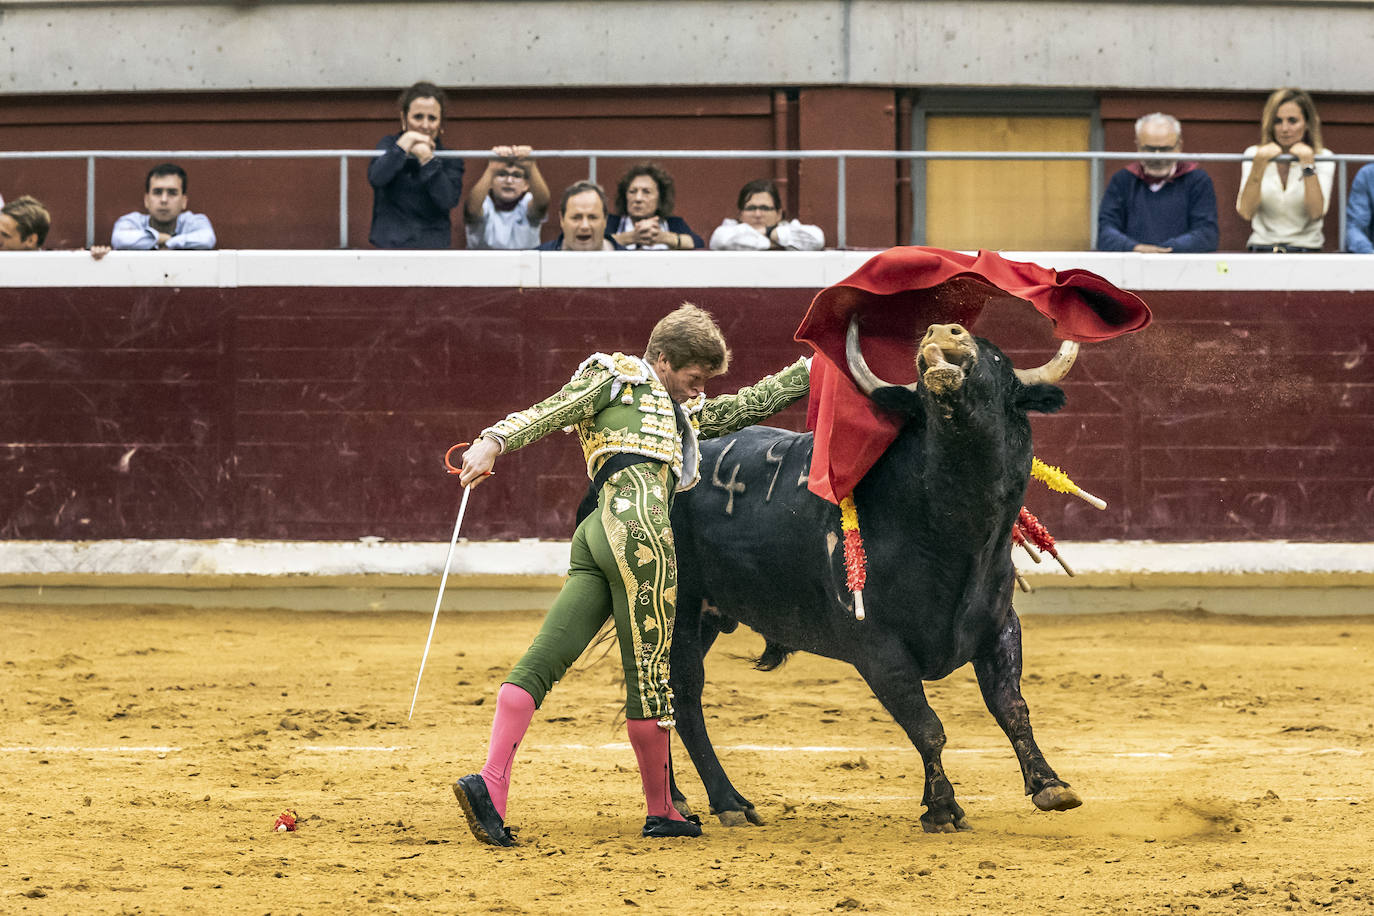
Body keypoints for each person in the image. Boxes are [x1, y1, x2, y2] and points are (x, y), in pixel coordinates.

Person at [452, 304, 811, 846]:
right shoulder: (617, 375)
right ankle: (662, 810)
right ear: (662, 359)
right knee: (650, 676)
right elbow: (551, 409)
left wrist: (806, 372)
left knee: (544, 659)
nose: (698, 393)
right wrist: (491, 441)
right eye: (693, 380)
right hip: (640, 530)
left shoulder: (673, 413)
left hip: (596, 531)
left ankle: (491, 786)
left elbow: (739, 409)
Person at [1096, 113, 1218, 253]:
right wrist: (1137, 249)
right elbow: (1105, 232)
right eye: (1150, 149)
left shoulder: (1197, 180)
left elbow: (1207, 234)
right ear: (1138, 146)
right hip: (1131, 267)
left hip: (1183, 267)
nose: (1157, 156)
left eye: (1165, 149)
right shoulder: (1122, 180)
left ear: (1179, 146)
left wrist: (1163, 250)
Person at [368, 81, 465, 249]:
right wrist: (403, 145)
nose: (425, 125)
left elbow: (447, 200)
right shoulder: (388, 145)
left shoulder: (450, 158)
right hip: (389, 250)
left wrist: (427, 159)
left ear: (441, 124)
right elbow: (377, 178)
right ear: (404, 119)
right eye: (418, 117)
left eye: (432, 118)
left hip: (432, 250)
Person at [1236, 88, 1334, 253]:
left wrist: (1307, 164)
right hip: (1262, 249)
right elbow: (1246, 212)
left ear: (1308, 123)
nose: (1284, 128)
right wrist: (1259, 164)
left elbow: (1316, 212)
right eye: (1277, 121)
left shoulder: (1323, 157)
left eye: (1292, 121)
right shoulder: (1254, 154)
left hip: (1306, 250)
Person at [111, 164, 216, 250]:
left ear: (184, 201)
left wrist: (168, 241)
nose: (164, 200)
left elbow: (207, 239)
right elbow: (119, 238)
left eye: (172, 193)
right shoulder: (132, 221)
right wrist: (160, 238)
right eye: (157, 192)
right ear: (146, 200)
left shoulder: (195, 221)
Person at [463, 146, 551, 250]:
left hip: (524, 265)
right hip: (483, 264)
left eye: (516, 175)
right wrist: (491, 169)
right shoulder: (484, 203)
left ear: (526, 185)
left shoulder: (527, 202)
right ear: (490, 182)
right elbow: (472, 211)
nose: (509, 181)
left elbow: (542, 204)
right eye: (502, 174)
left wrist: (531, 167)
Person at [708, 178, 825, 251]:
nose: (758, 214)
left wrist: (771, 232)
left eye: (765, 208)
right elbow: (720, 241)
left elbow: (817, 239)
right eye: (751, 208)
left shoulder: (788, 228)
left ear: (778, 214)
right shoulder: (729, 229)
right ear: (740, 214)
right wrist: (771, 242)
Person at [609, 163, 702, 250]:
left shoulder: (674, 223)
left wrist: (663, 237)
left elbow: (698, 244)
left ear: (660, 198)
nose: (638, 198)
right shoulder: (611, 222)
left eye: (646, 192)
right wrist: (631, 237)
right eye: (632, 191)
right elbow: (597, 243)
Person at [536, 181, 626, 251]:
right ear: (562, 219)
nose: (584, 226)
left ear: (605, 220)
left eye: (592, 217)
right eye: (576, 217)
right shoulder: (536, 261)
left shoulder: (630, 261)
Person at [1345, 163, 1374, 253]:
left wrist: (1308, 167)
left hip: (1308, 247)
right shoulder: (1368, 173)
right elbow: (1354, 226)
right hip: (1306, 251)